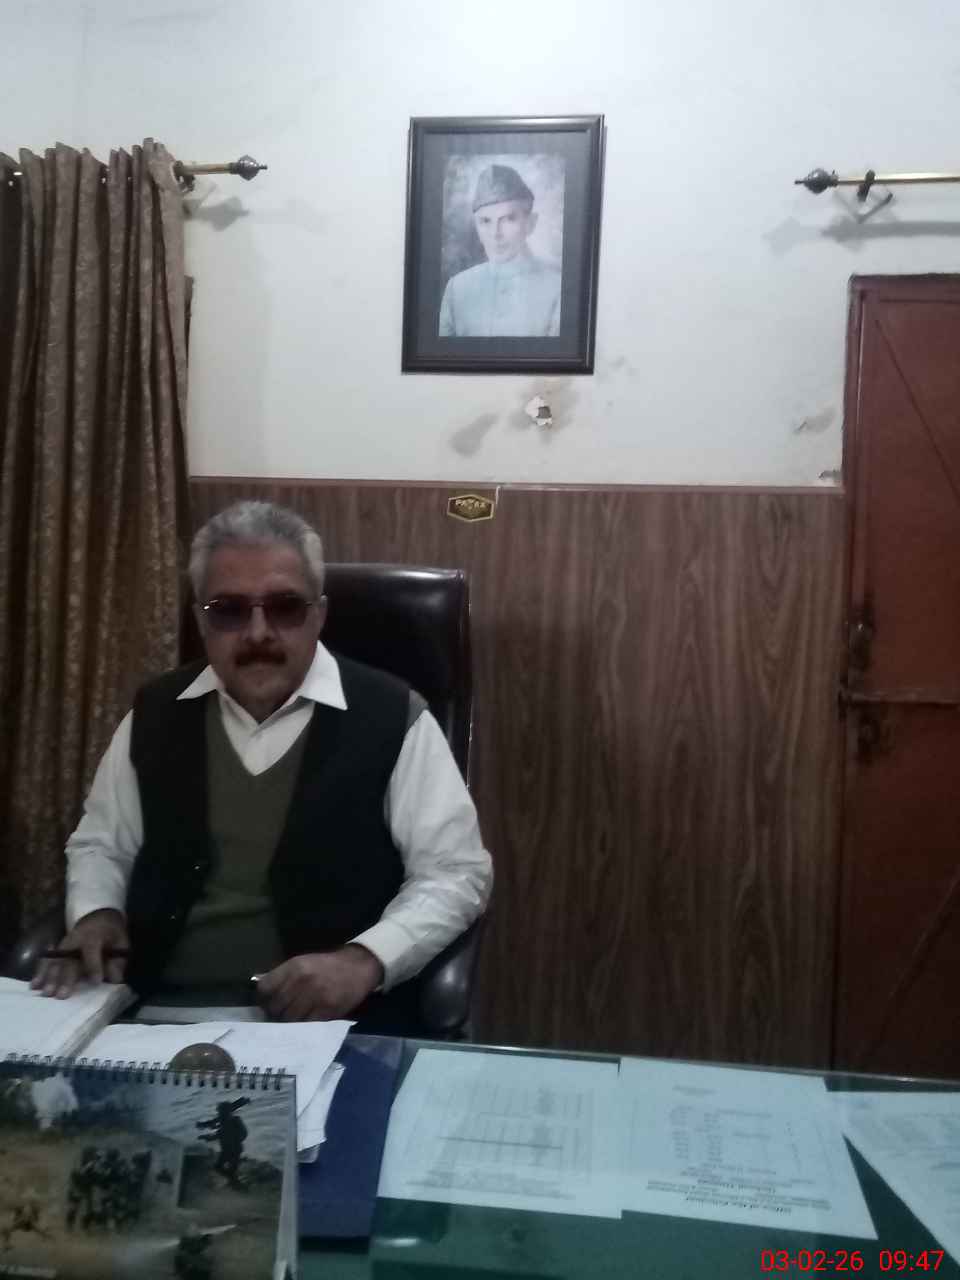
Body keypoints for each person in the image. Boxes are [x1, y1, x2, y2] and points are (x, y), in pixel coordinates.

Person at [32, 502, 492, 1032]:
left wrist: (363, 961)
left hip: (325, 1028)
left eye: (285, 607)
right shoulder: (155, 713)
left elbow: (457, 873)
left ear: (319, 615)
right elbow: (102, 844)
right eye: (229, 610)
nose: (257, 633)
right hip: (148, 1018)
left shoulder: (395, 717)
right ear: (201, 621)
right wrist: (97, 913)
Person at [439, 163, 561, 338]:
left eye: (509, 219)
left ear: (530, 223)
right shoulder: (457, 289)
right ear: (476, 226)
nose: (495, 234)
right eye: (485, 221)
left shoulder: (556, 289)